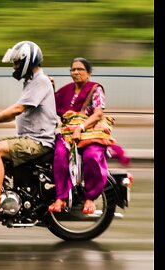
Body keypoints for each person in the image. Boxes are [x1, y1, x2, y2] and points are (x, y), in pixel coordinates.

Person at [0, 41, 58, 215]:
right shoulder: (32, 81)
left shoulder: (40, 81)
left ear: (27, 62)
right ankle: (3, 191)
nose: (14, 67)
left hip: (38, 141)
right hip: (29, 138)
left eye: (17, 63)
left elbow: (17, 109)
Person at [48, 57, 110, 214]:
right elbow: (52, 106)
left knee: (92, 156)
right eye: (73, 69)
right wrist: (51, 87)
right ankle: (60, 197)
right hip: (68, 133)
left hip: (90, 132)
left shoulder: (95, 89)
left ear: (88, 73)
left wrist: (80, 127)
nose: (75, 72)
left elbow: (98, 114)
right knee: (60, 155)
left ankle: (90, 198)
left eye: (80, 69)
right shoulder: (67, 89)